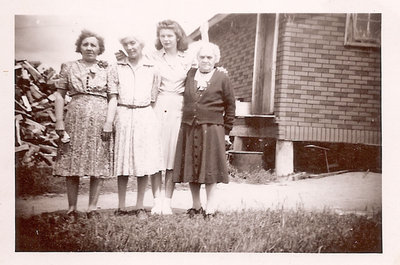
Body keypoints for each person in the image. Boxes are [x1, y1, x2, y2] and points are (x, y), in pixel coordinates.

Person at [53, 30, 118, 218]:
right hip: (75, 116)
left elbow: (113, 97)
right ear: (79, 47)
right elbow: (59, 94)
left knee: (97, 162)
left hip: (100, 116)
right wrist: (59, 121)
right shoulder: (69, 66)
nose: (89, 48)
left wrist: (108, 121)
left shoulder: (108, 68)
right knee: (72, 161)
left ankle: (92, 207)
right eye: (86, 44)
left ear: (100, 49)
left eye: (93, 45)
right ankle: (72, 207)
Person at [173, 42, 236, 218]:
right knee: (192, 168)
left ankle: (210, 208)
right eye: (202, 57)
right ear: (197, 59)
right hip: (190, 127)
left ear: (216, 59)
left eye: (209, 57)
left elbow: (230, 105)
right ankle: (196, 205)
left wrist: (226, 131)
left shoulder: (222, 77)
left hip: (212, 128)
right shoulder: (190, 74)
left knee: (209, 169)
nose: (206, 60)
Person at [112, 33, 164, 218]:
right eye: (126, 44)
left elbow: (154, 95)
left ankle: (140, 205)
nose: (130, 47)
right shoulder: (117, 67)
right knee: (123, 161)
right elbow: (114, 93)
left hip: (144, 113)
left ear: (141, 44)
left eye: (133, 43)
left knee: (143, 162)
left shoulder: (153, 68)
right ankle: (121, 206)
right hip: (124, 114)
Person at [150, 20, 193, 215]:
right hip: (158, 106)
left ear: (177, 37)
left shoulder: (187, 58)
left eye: (169, 35)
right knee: (156, 155)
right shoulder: (152, 57)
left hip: (179, 108)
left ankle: (167, 201)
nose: (166, 39)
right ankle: (156, 200)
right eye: (162, 36)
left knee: (171, 156)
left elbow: (203, 70)